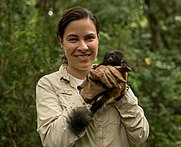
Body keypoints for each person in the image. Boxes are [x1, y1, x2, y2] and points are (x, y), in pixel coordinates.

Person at [36, 6, 149, 147]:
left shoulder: (112, 76)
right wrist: (86, 95)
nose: (83, 47)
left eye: (89, 38)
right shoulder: (49, 84)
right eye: (73, 39)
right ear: (61, 41)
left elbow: (140, 135)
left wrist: (121, 96)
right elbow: (53, 142)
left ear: (98, 39)